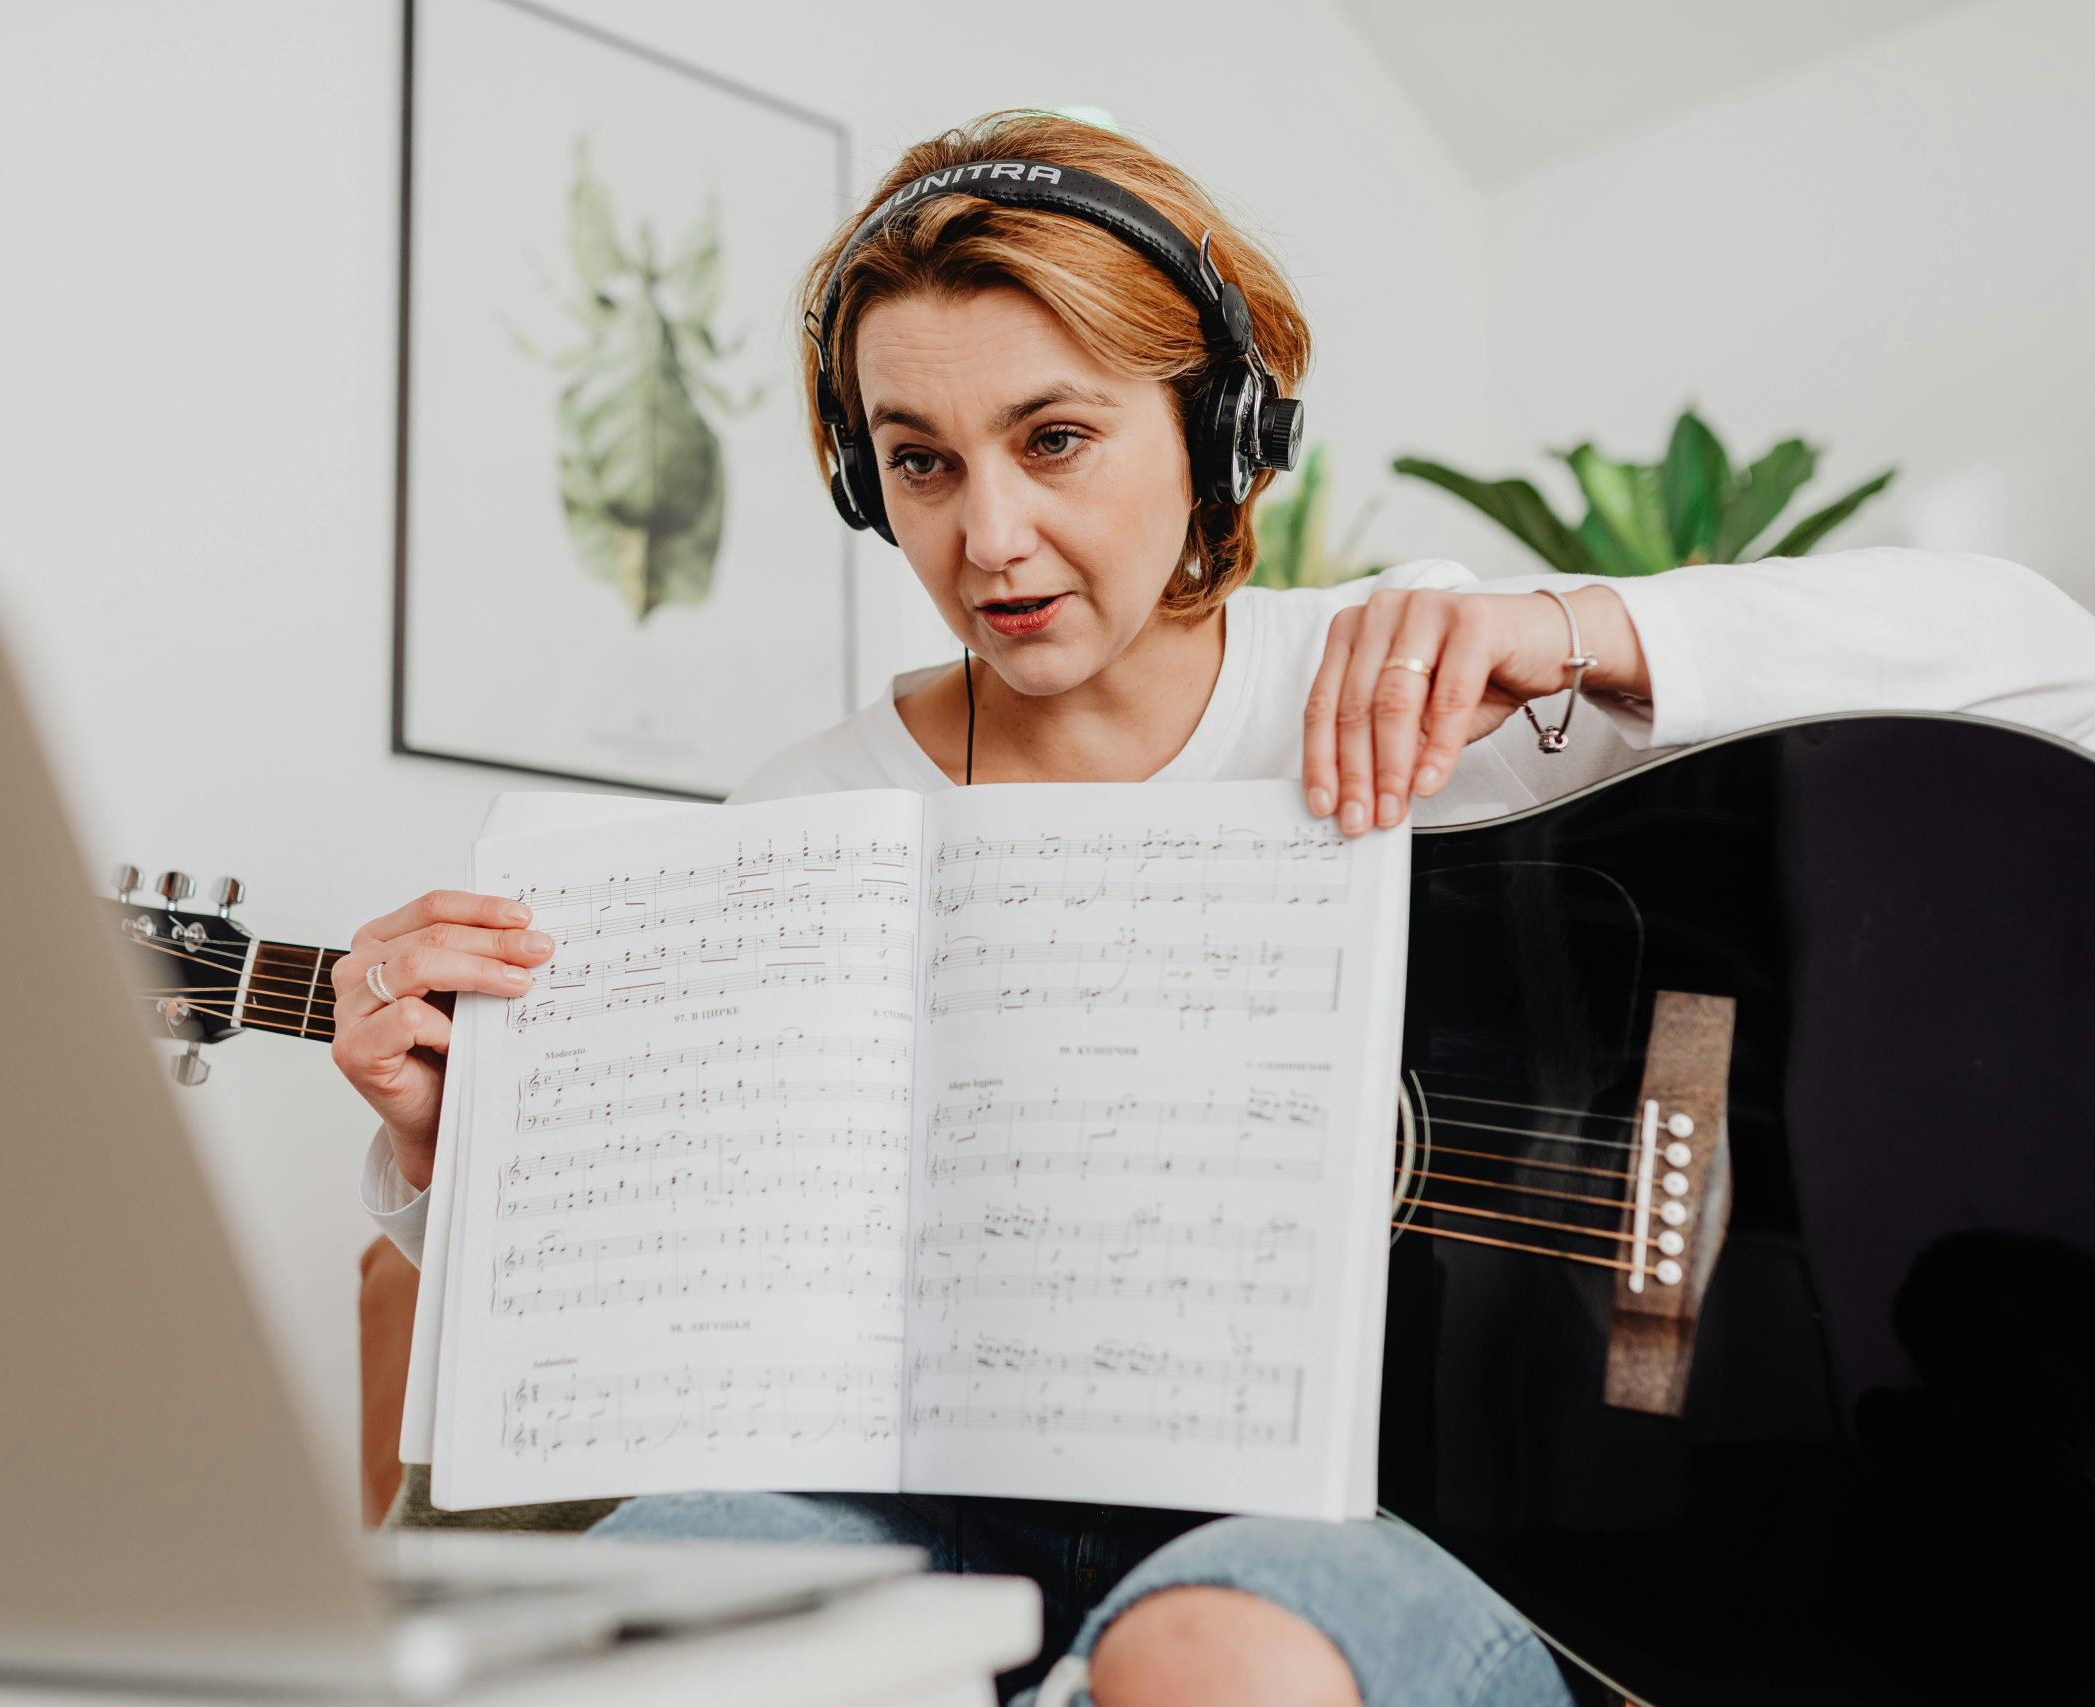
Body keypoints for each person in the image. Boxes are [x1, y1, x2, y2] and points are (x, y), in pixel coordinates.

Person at [331, 110, 2095, 1707]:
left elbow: (2046, 668)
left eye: (1055, 437)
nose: (993, 537)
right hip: (904, 1497)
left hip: (1380, 1522)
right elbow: (675, 1324)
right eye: (922, 461)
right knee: (662, 1622)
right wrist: (442, 1147)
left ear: (1217, 431)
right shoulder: (807, 819)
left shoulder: (1421, 676)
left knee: (1212, 1655)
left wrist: (1583, 629)